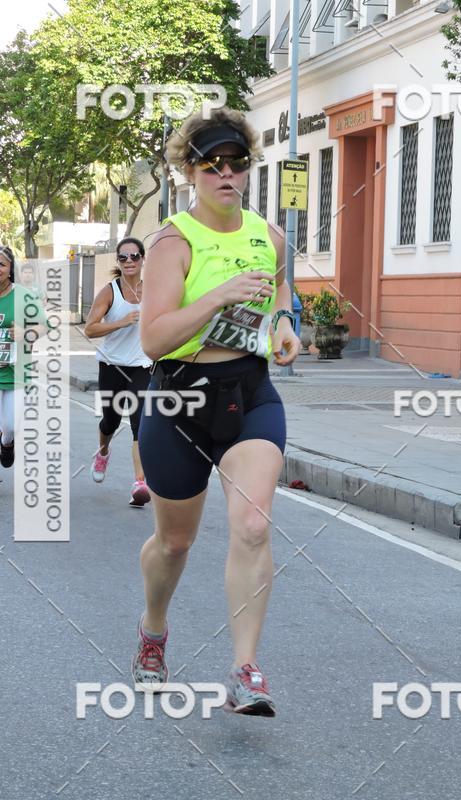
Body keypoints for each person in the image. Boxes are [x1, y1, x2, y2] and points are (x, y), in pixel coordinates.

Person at [134, 108, 301, 717]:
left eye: (237, 163)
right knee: (174, 544)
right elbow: (153, 339)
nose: (227, 174)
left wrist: (284, 327)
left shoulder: (269, 235)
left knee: (253, 525)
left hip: (249, 393)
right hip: (179, 397)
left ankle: (245, 670)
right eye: (213, 165)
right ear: (190, 172)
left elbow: (281, 291)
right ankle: (153, 631)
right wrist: (217, 297)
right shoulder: (172, 243)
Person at [84, 237, 152, 507]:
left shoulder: (154, 290)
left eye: (134, 256)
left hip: (142, 366)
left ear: (143, 259)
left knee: (140, 423)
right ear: (118, 262)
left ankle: (140, 483)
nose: (129, 262)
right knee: (110, 422)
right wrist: (123, 322)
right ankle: (102, 451)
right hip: (112, 365)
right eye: (123, 258)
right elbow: (90, 328)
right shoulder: (110, 291)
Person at [0, 247, 45, 468]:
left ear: (10, 269)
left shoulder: (24, 295)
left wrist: (25, 333)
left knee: (9, 427)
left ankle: (7, 443)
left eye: (1, 264)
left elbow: (44, 325)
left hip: (15, 372)